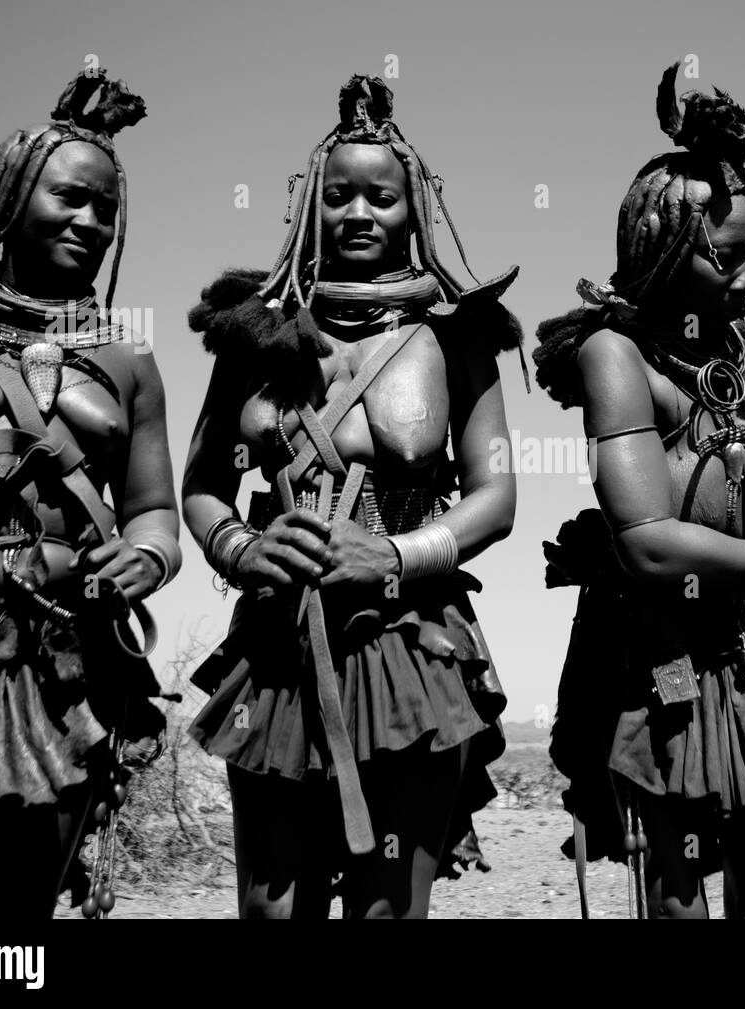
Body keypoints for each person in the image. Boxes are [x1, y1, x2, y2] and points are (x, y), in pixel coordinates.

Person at [534, 64, 745, 918]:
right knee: (675, 890)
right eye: (726, 256)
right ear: (658, 242)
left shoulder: (740, 360)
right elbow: (648, 541)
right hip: (663, 672)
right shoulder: (616, 357)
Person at [185, 75, 520, 919]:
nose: (359, 213)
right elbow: (202, 487)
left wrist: (397, 554)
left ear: (415, 210)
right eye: (339, 197)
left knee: (386, 906)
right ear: (310, 210)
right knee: (270, 905)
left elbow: (496, 495)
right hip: (278, 641)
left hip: (409, 636)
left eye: (382, 196)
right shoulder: (253, 335)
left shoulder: (456, 335)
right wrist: (240, 546)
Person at [0, 69, 179, 919]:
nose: (90, 223)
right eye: (71, 199)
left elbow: (155, 509)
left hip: (63, 662)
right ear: (11, 196)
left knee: (14, 914)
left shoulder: (127, 358)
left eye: (106, 213)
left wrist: (149, 557)